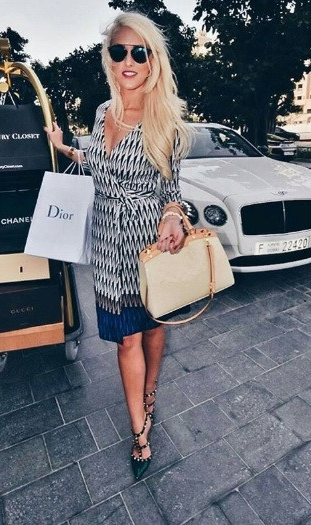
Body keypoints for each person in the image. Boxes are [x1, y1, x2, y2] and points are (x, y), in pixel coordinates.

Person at [44, 11, 191, 480]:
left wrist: (173, 216)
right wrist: (64, 147)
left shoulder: (164, 119)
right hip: (108, 246)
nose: (128, 60)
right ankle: (139, 430)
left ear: (152, 60)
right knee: (127, 339)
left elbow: (173, 191)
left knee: (153, 326)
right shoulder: (101, 113)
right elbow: (95, 162)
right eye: (119, 51)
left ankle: (149, 395)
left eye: (138, 52)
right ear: (109, 59)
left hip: (148, 242)